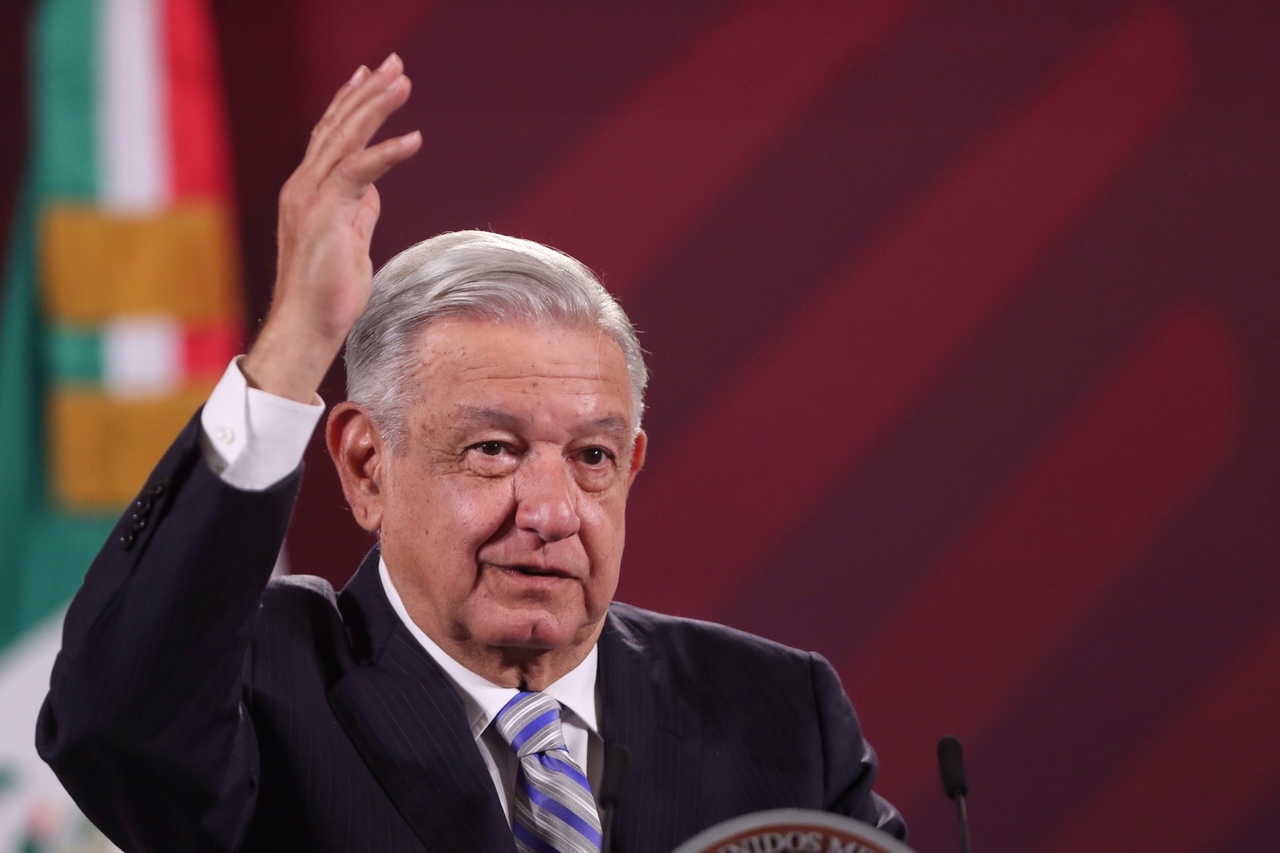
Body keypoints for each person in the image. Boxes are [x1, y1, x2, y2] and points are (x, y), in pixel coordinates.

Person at [37, 54, 905, 853]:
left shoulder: (780, 715)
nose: (552, 511)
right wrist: (296, 341)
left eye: (592, 457)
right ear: (367, 465)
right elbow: (113, 719)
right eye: (493, 448)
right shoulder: (261, 682)